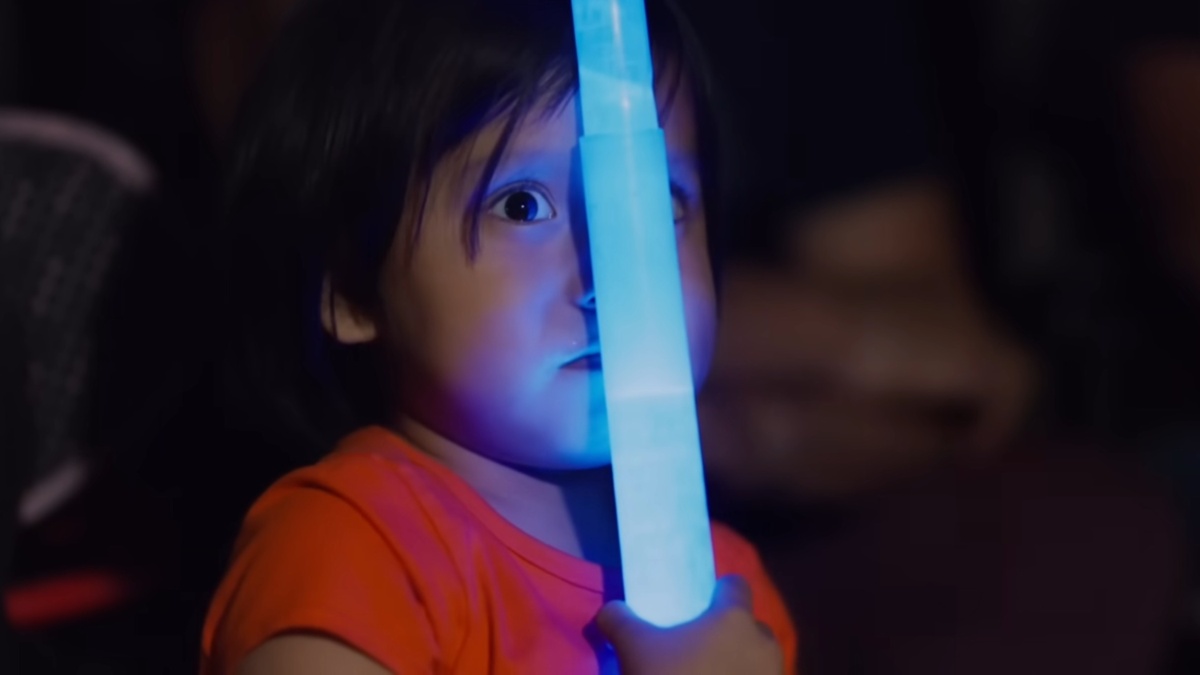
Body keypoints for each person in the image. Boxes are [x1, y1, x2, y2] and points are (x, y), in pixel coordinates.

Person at [199, 0, 797, 674]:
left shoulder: (723, 590)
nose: (621, 272)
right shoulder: (352, 545)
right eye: (523, 205)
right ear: (352, 287)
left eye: (658, 202)